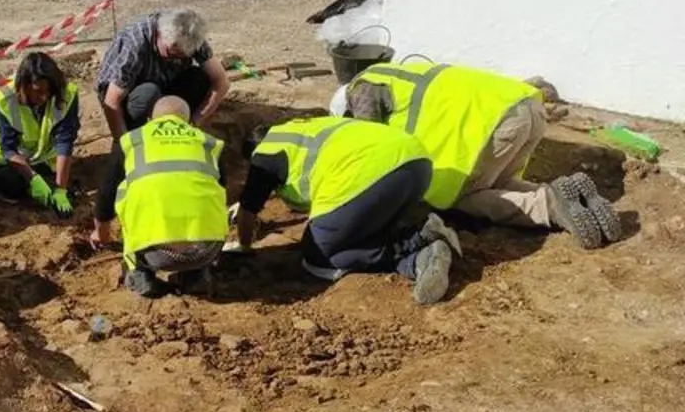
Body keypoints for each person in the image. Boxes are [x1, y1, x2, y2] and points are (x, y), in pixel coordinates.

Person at [332, 62, 621, 249]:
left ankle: (548, 206)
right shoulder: (395, 73)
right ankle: (569, 197)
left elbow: (366, 145)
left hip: (494, 125)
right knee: (496, 183)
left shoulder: (362, 87)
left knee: (462, 197)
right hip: (526, 105)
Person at [230, 116, 463, 305]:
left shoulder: (264, 154)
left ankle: (415, 242)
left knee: (320, 257)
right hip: (416, 161)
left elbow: (249, 208)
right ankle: (423, 255)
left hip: (370, 175)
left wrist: (245, 245)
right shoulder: (302, 129)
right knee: (358, 231)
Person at [90, 96, 228, 298]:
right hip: (208, 249)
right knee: (206, 195)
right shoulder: (209, 143)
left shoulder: (132, 141)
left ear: (149, 120)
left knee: (129, 192)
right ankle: (196, 275)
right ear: (188, 123)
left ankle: (139, 274)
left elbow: (106, 196)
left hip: (158, 254)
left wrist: (101, 233)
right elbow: (221, 190)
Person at [96, 8, 232, 140]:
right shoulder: (134, 45)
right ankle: (139, 132)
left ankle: (181, 125)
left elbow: (221, 82)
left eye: (182, 56)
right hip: (132, 96)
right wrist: (123, 143)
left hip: (164, 81)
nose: (176, 58)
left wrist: (195, 121)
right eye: (172, 54)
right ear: (160, 36)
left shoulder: (190, 35)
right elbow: (112, 102)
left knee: (199, 78)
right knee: (149, 92)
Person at [0, 52, 79, 216]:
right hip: (1, 153)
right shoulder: (5, 99)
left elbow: (65, 142)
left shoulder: (66, 95)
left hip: (40, 157)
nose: (43, 97)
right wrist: (33, 178)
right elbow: (8, 148)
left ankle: (10, 186)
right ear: (23, 86)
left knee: (10, 182)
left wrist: (60, 189)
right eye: (37, 91)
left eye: (47, 92)